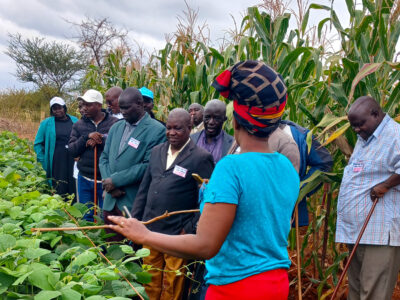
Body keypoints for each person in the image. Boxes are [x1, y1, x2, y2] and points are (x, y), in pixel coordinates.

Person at [109, 60, 300, 300]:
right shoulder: (286, 166)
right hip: (276, 284)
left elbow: (206, 245)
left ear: (235, 120)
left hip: (235, 288)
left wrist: (143, 235)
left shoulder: (230, 167)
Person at [130, 108, 214, 300]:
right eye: (169, 128)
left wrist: (189, 228)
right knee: (149, 278)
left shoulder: (200, 157)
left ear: (189, 128)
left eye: (178, 129)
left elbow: (207, 199)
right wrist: (136, 220)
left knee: (172, 284)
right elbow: (145, 188)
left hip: (177, 234)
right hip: (151, 229)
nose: (172, 133)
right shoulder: (157, 151)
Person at [335, 96, 400, 300]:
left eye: (360, 124)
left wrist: (386, 185)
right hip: (358, 231)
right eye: (353, 126)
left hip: (379, 234)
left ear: (376, 114)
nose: (356, 130)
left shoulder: (395, 135)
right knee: (357, 291)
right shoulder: (366, 137)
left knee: (373, 294)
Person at [99, 87, 166, 241]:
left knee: (132, 254)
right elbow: (104, 157)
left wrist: (115, 181)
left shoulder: (157, 131)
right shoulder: (116, 127)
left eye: (127, 108)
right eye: (121, 108)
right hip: (110, 201)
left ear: (139, 104)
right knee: (111, 249)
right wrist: (109, 184)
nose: (123, 112)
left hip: (132, 202)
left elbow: (147, 165)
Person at [68, 89, 118, 221]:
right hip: (84, 178)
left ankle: (103, 241)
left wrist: (100, 139)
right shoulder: (79, 125)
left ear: (98, 105)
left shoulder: (114, 123)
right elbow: (72, 150)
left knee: (105, 216)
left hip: (105, 180)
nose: (84, 108)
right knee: (86, 215)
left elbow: (118, 146)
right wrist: (86, 138)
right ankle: (88, 239)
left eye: (88, 105)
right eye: (83, 104)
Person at [34, 97, 78, 197]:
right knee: (59, 186)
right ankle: (60, 209)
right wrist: (42, 160)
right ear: (51, 110)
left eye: (60, 108)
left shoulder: (75, 120)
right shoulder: (46, 123)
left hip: (73, 159)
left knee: (73, 184)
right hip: (56, 161)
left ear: (65, 108)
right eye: (54, 109)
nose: (57, 111)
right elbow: (37, 143)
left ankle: (74, 209)